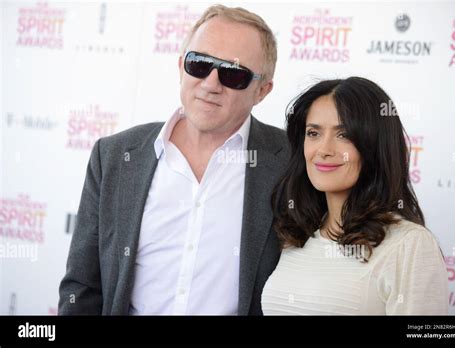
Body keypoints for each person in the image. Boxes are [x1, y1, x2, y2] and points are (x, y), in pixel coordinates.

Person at [59, 5, 289, 315]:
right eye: (199, 64)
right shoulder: (114, 156)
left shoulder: (291, 162)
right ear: (181, 65)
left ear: (262, 90)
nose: (211, 83)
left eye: (233, 74)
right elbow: (82, 287)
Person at [262, 77, 448, 315]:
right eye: (313, 133)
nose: (324, 150)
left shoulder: (409, 245)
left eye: (344, 135)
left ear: (374, 145)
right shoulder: (296, 235)